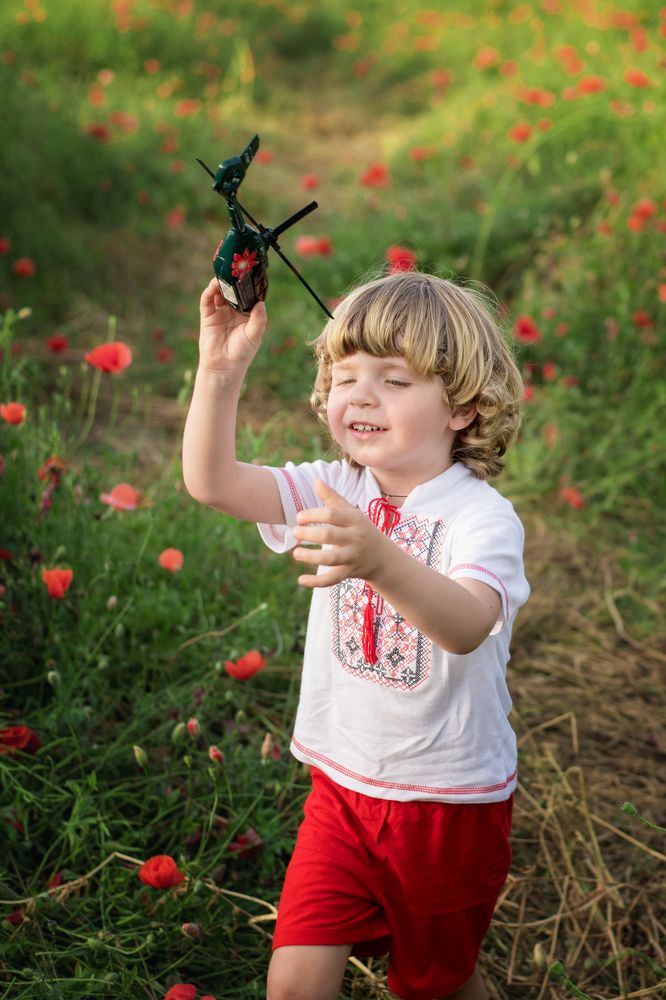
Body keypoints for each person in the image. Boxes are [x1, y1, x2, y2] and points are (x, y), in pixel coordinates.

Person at [182, 270, 530, 1000]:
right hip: (340, 791)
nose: (361, 395)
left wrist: (380, 559)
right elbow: (212, 482)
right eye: (344, 376)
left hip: (448, 807)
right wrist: (219, 370)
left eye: (394, 379)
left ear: (463, 408)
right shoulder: (335, 488)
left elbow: (468, 623)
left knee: (435, 985)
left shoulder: (480, 517)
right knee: (294, 982)